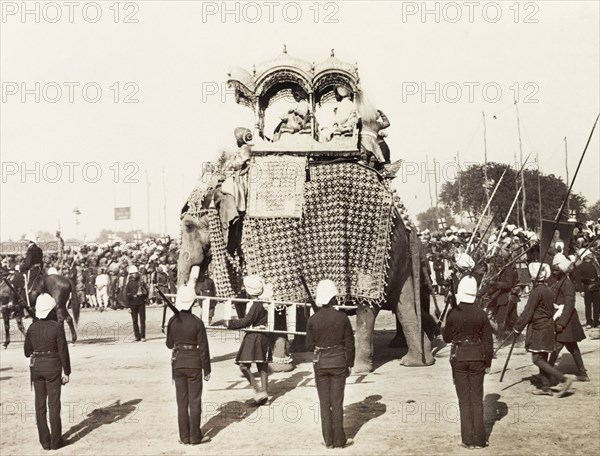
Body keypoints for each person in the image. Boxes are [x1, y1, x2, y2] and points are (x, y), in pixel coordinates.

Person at [443, 275, 493, 449]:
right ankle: (480, 439)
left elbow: (446, 338)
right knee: (477, 399)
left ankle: (467, 440)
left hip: (459, 357)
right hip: (478, 357)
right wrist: (488, 363)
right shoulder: (481, 313)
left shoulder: (453, 312)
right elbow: (488, 340)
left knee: (464, 399)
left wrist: (447, 322)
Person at [513, 262, 575, 396]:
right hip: (547, 326)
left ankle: (563, 379)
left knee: (537, 359)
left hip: (539, 328)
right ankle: (545, 387)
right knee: (543, 356)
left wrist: (517, 328)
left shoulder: (536, 291)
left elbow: (528, 312)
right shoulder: (547, 289)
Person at [306, 280, 355, 449]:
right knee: (337, 402)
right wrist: (350, 363)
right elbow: (349, 343)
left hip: (321, 364)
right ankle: (340, 440)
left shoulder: (313, 319)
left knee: (324, 402)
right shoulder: (342, 318)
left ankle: (328, 440)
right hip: (339, 363)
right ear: (333, 297)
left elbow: (308, 345)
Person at [213, 275, 272, 405]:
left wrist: (229, 323)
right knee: (262, 366)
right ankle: (263, 396)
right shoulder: (258, 302)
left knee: (244, 365)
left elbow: (247, 321)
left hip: (255, 335)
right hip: (261, 334)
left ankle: (259, 392)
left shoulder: (256, 304)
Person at [166, 280, 212, 445]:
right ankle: (195, 437)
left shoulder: (172, 321)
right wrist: (207, 369)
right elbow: (204, 348)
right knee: (195, 401)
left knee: (182, 402)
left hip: (178, 363)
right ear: (193, 302)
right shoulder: (197, 322)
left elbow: (169, 344)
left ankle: (184, 436)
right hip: (194, 363)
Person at [24, 293, 71, 450]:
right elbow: (63, 350)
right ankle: (56, 441)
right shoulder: (57, 327)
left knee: (40, 406)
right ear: (51, 310)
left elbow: (26, 352)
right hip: (53, 368)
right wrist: (67, 372)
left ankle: (45, 442)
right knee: (53, 404)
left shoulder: (31, 328)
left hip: (37, 368)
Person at [548, 254, 589, 381]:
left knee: (557, 347)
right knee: (572, 347)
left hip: (567, 321)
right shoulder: (559, 282)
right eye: (554, 269)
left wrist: (562, 323)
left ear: (563, 270)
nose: (555, 272)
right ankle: (582, 373)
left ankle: (547, 373)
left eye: (557, 270)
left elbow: (569, 305)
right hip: (563, 320)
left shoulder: (567, 284)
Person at [575, 248, 600, 328]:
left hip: (596, 286)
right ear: (586, 256)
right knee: (588, 305)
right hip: (587, 287)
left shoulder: (595, 264)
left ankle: (596, 322)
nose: (591, 255)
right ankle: (589, 322)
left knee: (597, 305)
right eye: (589, 254)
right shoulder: (580, 267)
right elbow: (578, 280)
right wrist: (581, 290)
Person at [126, 265, 148, 342]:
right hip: (132, 304)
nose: (135, 274)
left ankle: (143, 336)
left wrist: (143, 294)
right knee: (134, 321)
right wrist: (128, 306)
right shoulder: (129, 283)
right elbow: (127, 295)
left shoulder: (141, 282)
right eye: (133, 273)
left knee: (142, 320)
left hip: (141, 303)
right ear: (131, 274)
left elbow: (146, 292)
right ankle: (137, 336)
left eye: (136, 273)